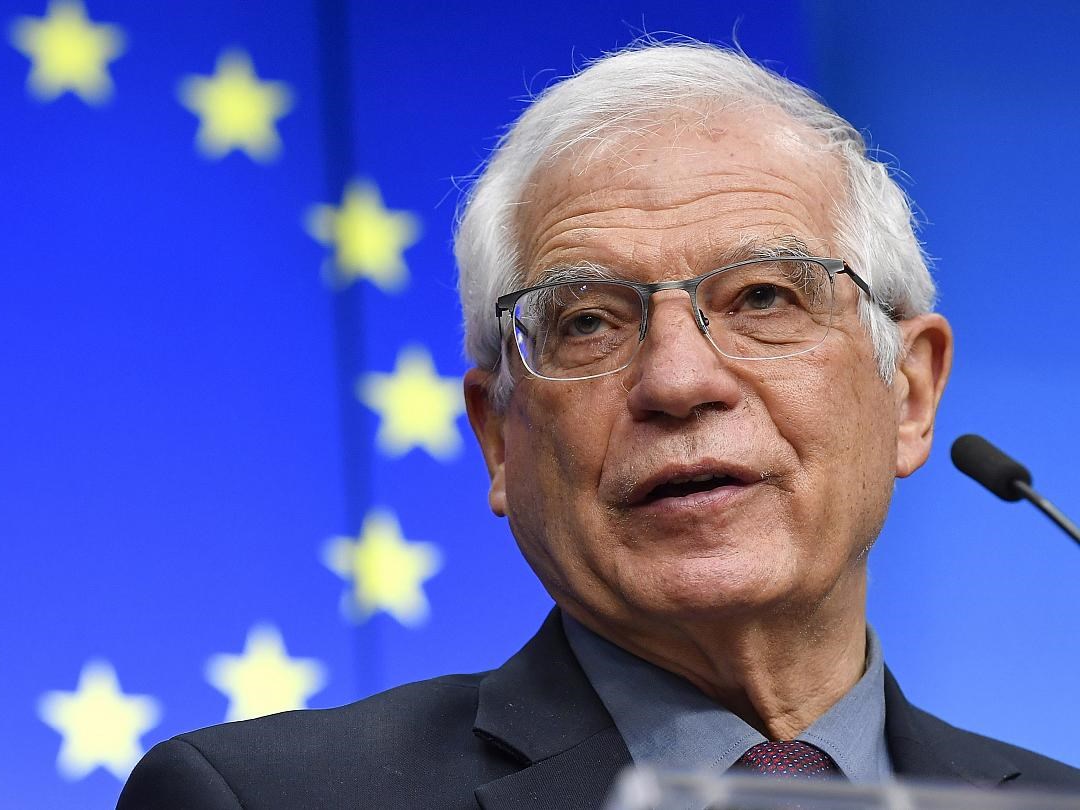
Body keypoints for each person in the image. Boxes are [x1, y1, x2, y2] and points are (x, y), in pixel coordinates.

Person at [116, 42, 1080, 808]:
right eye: (587, 322)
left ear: (910, 393)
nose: (679, 380)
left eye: (763, 297)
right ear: (499, 438)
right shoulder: (266, 799)